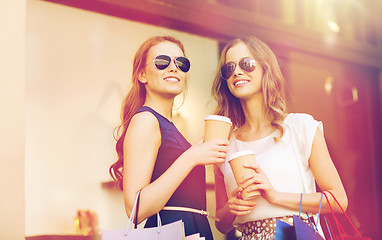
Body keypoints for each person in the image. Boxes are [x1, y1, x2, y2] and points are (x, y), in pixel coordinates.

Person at [211, 36, 348, 239]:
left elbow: (338, 201)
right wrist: (231, 207)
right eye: (228, 68)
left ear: (266, 69)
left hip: (293, 234)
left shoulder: (300, 127)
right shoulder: (224, 144)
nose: (237, 72)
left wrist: (276, 196)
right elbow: (221, 225)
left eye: (246, 64)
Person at [109, 35, 228, 240]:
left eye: (181, 63)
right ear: (142, 75)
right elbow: (135, 209)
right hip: (171, 232)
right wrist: (191, 157)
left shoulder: (167, 126)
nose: (174, 68)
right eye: (162, 62)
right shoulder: (145, 120)